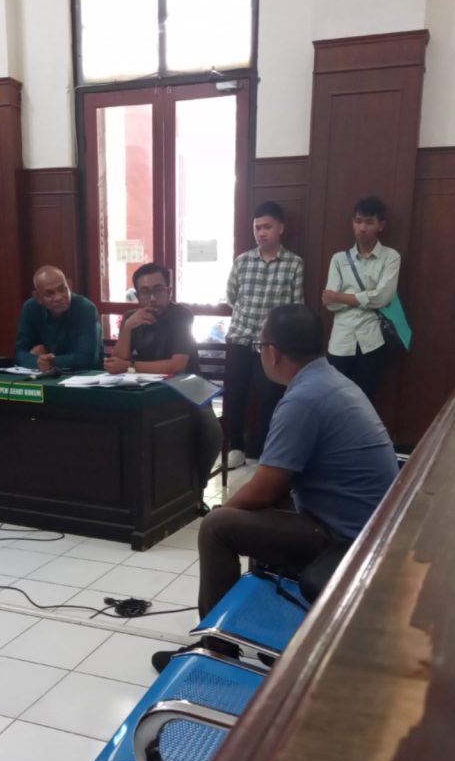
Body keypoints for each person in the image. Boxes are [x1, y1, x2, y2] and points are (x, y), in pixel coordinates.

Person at [152, 303, 398, 672]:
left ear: (273, 352)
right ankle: (257, 628)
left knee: (217, 527)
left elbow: (264, 487)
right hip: (370, 525)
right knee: (255, 513)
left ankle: (216, 651)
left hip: (347, 538)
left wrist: (224, 509)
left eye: (259, 346)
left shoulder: (303, 399)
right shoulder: (329, 380)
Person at [106, 262, 222, 501]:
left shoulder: (181, 315)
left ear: (169, 291)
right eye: (145, 292)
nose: (152, 298)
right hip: (147, 386)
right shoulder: (132, 318)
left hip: (189, 385)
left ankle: (197, 491)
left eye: (158, 290)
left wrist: (129, 367)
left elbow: (177, 366)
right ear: (137, 294)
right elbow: (117, 361)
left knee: (210, 430)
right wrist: (127, 328)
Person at [225, 201, 304, 469]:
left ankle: (266, 452)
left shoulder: (294, 264)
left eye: (267, 227)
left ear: (280, 228)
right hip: (239, 338)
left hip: (271, 344)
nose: (261, 233)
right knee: (235, 394)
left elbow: (296, 305)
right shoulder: (242, 261)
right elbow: (231, 296)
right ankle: (236, 447)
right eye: (257, 228)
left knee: (270, 396)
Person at [322, 196, 401, 404]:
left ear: (381, 225)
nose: (362, 228)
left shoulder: (391, 257)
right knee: (333, 400)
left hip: (372, 340)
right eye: (358, 221)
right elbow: (329, 303)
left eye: (369, 222)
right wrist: (367, 296)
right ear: (353, 223)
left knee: (365, 402)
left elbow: (383, 297)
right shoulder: (339, 259)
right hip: (341, 340)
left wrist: (340, 296)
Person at [15, 265, 102, 372]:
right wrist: (36, 361)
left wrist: (47, 361)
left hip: (85, 376)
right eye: (49, 294)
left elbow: (86, 359)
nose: (58, 297)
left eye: (62, 289)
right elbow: (19, 353)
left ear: (69, 286)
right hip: (45, 376)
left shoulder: (86, 308)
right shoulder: (30, 309)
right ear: (38, 297)